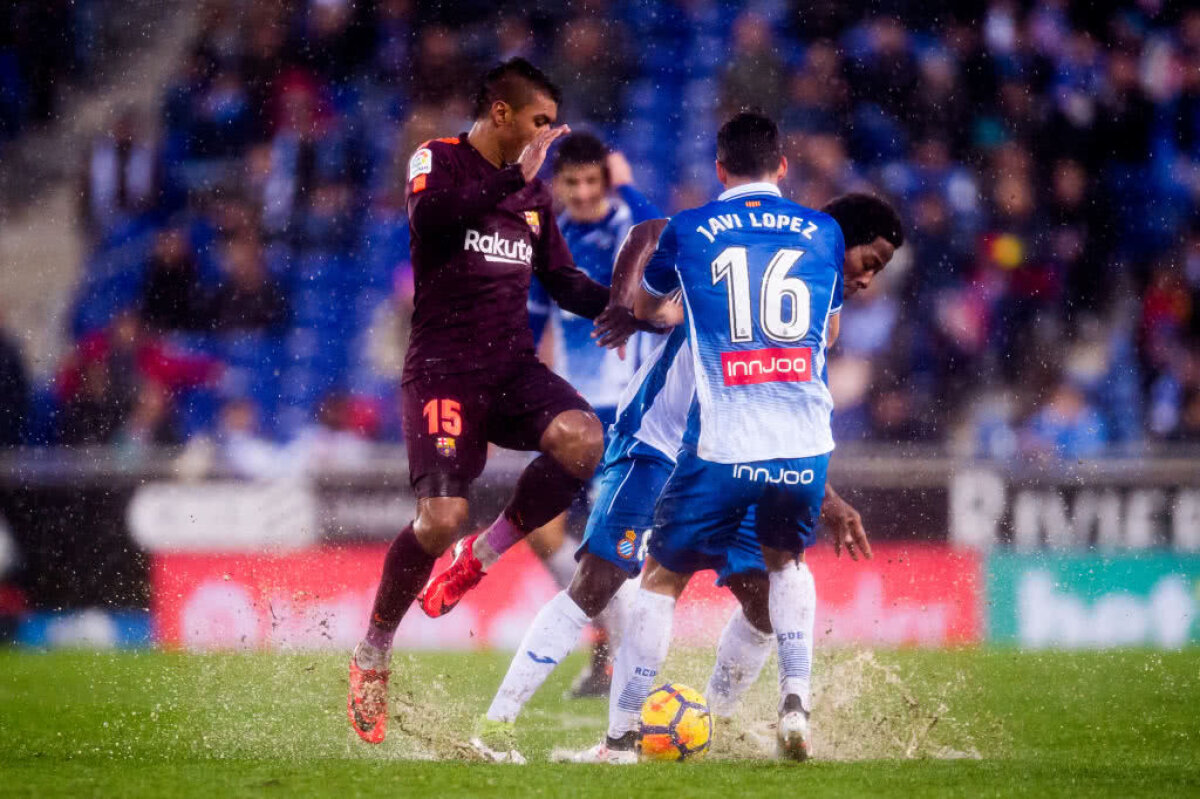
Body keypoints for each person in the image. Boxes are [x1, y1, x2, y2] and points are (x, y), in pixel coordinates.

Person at [470, 191, 903, 763]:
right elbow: (652, 229)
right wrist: (628, 301)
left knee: (762, 604)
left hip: (729, 457)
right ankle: (500, 729)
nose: (868, 279)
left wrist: (829, 496)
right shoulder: (733, 243)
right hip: (657, 441)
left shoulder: (815, 315)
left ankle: (702, 732)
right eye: (867, 262)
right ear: (830, 240)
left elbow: (783, 421)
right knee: (600, 582)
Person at [346, 58, 643, 745]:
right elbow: (439, 222)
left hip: (509, 368)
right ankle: (374, 650)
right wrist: (515, 175)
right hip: (443, 373)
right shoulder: (438, 161)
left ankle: (484, 553)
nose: (549, 135)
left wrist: (631, 309)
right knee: (439, 517)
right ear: (502, 113)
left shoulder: (535, 198)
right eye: (541, 120)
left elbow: (563, 281)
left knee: (583, 438)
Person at [566, 111, 859, 762]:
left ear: (719, 168)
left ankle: (618, 742)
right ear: (782, 166)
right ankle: (794, 699)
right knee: (788, 561)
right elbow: (830, 334)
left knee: (660, 581)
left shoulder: (691, 228)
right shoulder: (826, 231)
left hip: (725, 438)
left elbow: (646, 308)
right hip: (806, 442)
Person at [508, 132, 664, 697]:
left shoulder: (630, 222)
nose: (578, 192)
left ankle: (625, 670)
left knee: (604, 544)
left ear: (605, 181)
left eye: (589, 181)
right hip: (572, 413)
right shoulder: (552, 240)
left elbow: (662, 234)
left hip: (627, 413)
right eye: (568, 182)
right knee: (540, 529)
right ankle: (607, 637)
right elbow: (530, 325)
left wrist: (628, 185)